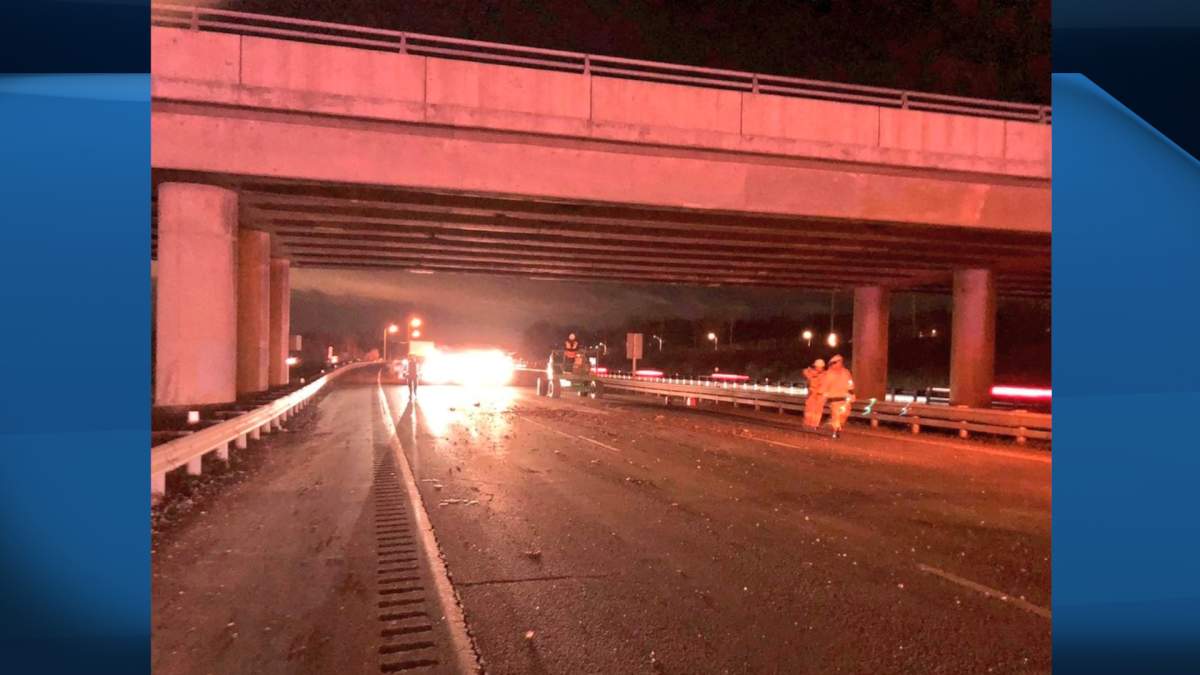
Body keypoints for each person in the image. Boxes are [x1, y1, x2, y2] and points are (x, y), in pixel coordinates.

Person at [822, 354, 855, 438]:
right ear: (832, 364)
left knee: (844, 415)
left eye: (840, 362)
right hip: (834, 399)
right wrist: (824, 396)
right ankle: (835, 430)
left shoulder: (846, 372)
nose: (839, 364)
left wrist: (852, 394)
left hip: (844, 398)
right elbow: (825, 386)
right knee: (836, 415)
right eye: (836, 363)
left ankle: (837, 426)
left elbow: (850, 383)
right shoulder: (828, 374)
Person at [802, 359, 827, 428]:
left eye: (819, 367)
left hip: (820, 395)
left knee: (818, 411)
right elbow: (804, 371)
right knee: (809, 409)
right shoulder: (811, 373)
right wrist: (811, 371)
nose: (818, 368)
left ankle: (815, 425)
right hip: (812, 393)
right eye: (816, 367)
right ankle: (807, 424)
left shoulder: (825, 374)